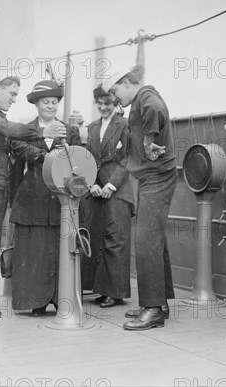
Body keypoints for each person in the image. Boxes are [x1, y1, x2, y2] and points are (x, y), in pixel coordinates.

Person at [0, 75, 67, 326]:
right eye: (11, 93)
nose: (14, 98)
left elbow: (15, 143)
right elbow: (10, 131)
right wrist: (44, 131)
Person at [102, 66, 177, 330]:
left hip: (158, 178)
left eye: (114, 92)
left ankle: (154, 310)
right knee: (155, 241)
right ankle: (159, 303)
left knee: (145, 241)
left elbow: (156, 110)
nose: (113, 99)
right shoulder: (138, 101)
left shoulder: (146, 96)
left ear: (125, 84)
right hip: (150, 178)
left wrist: (149, 140)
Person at [9, 80, 82, 317]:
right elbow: (17, 166)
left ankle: (62, 299)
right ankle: (36, 302)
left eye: (54, 102)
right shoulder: (25, 130)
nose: (50, 106)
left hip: (61, 201)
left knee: (61, 250)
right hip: (32, 200)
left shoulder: (69, 131)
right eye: (45, 102)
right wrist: (13, 201)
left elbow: (78, 163)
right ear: (36, 104)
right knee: (35, 251)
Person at [81, 85, 134, 308]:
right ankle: (101, 289)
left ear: (116, 104)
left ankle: (116, 292)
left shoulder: (125, 125)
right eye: (99, 103)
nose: (103, 107)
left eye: (108, 103)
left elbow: (129, 158)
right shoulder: (92, 127)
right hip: (96, 191)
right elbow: (88, 159)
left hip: (118, 190)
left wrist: (111, 184)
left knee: (115, 240)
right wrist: (91, 183)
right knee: (98, 236)